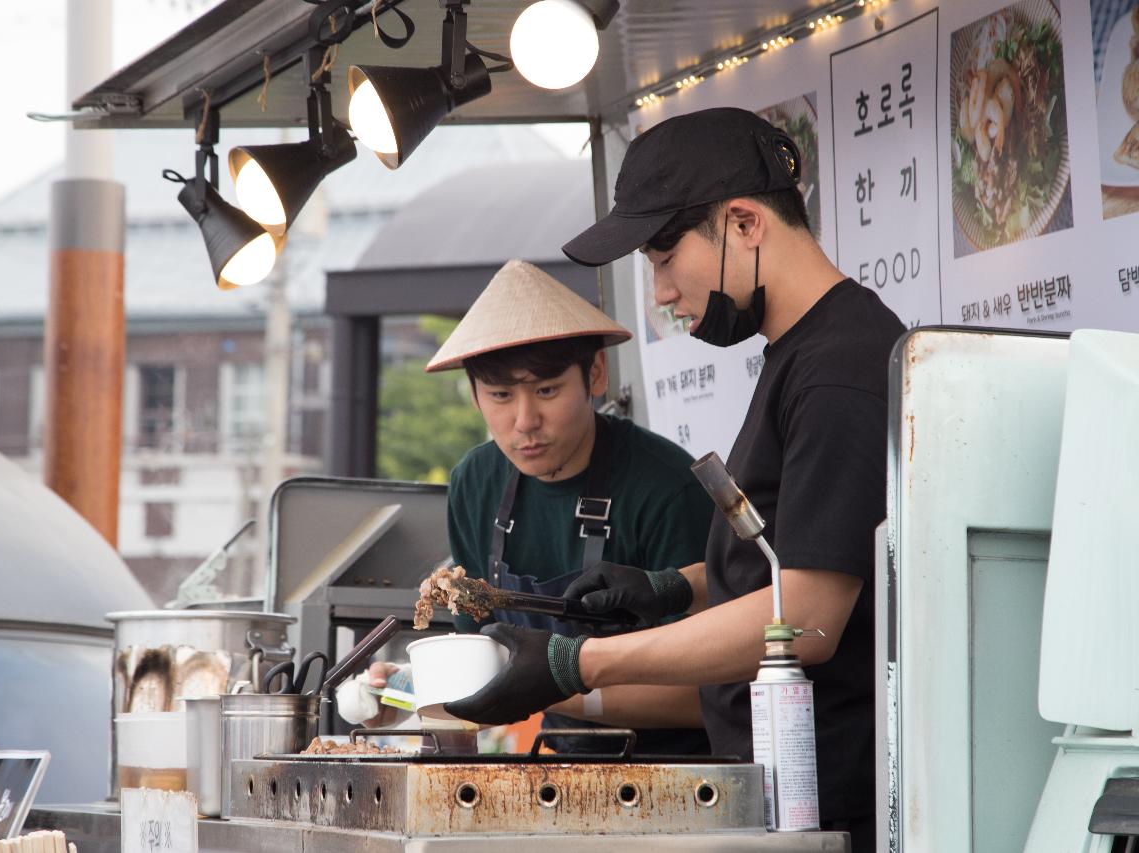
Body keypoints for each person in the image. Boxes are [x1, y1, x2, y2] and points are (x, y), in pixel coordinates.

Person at [442, 109, 905, 852]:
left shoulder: (839, 369)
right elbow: (787, 556)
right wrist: (674, 586)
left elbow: (812, 615)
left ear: (746, 222)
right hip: (774, 790)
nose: (659, 292)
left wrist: (575, 661)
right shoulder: (799, 354)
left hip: (827, 808)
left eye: (663, 257)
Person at [345, 259, 713, 756]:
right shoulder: (476, 483)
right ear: (475, 396)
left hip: (677, 772)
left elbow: (713, 691)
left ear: (596, 374)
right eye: (500, 395)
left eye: (547, 390)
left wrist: (556, 682)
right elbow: (483, 658)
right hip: (553, 765)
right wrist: (410, 691)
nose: (525, 422)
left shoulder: (668, 488)